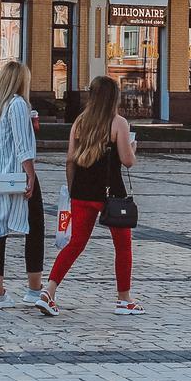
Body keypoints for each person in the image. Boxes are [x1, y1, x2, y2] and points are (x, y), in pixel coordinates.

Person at [38, 74, 140, 316]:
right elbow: (127, 161)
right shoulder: (118, 123)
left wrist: (72, 189)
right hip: (111, 194)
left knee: (75, 244)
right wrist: (133, 148)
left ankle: (49, 291)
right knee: (123, 246)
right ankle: (124, 299)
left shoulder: (80, 122)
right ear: (113, 98)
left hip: (82, 192)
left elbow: (70, 160)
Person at [0, 60, 45, 309]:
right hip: (15, 176)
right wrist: (31, 175)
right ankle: (34, 289)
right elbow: (23, 146)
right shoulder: (17, 104)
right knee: (34, 228)